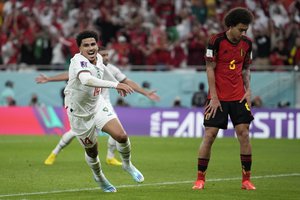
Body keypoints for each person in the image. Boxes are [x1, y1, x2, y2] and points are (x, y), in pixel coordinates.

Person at [39, 30, 146, 192]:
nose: (90, 48)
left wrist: (117, 82)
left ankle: (127, 164)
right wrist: (116, 85)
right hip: (79, 112)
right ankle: (99, 176)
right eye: (86, 45)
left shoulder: (99, 58)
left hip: (97, 104)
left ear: (97, 45)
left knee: (121, 136)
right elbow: (86, 80)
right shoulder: (78, 61)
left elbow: (105, 71)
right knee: (92, 150)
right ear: (80, 49)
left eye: (93, 44)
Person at [36, 47, 160, 167]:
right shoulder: (85, 65)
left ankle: (110, 157)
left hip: (103, 103)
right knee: (74, 132)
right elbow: (69, 74)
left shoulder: (112, 69)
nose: (106, 57)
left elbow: (127, 81)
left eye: (107, 55)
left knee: (118, 133)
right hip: (86, 105)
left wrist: (146, 92)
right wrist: (49, 79)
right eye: (104, 55)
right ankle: (54, 153)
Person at [192, 8, 256, 190]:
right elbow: (210, 68)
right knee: (210, 135)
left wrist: (249, 90)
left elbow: (245, 69)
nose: (243, 33)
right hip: (218, 97)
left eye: (246, 30)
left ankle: (246, 180)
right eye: (240, 29)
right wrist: (213, 96)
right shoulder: (216, 41)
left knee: (244, 134)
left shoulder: (247, 44)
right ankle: (200, 179)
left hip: (238, 97)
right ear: (230, 26)